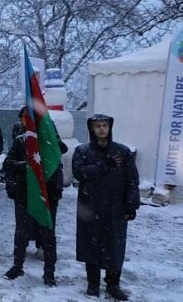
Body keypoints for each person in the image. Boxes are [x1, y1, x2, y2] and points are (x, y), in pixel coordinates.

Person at [72, 114, 140, 300]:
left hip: (115, 208)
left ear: (110, 128)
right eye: (97, 126)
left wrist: (131, 205)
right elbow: (79, 173)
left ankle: (113, 284)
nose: (101, 129)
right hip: (90, 206)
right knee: (90, 245)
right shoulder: (82, 151)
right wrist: (103, 165)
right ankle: (93, 283)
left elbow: (132, 180)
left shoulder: (122, 152)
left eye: (104, 125)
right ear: (91, 129)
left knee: (114, 246)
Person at [3, 107, 67, 286]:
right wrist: (26, 168)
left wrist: (56, 193)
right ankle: (17, 266)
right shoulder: (20, 141)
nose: (28, 122)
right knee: (21, 233)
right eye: (24, 119)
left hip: (47, 196)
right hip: (24, 195)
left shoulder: (51, 141)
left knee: (48, 235)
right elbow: (8, 164)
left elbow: (59, 160)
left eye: (31, 118)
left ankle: (49, 273)